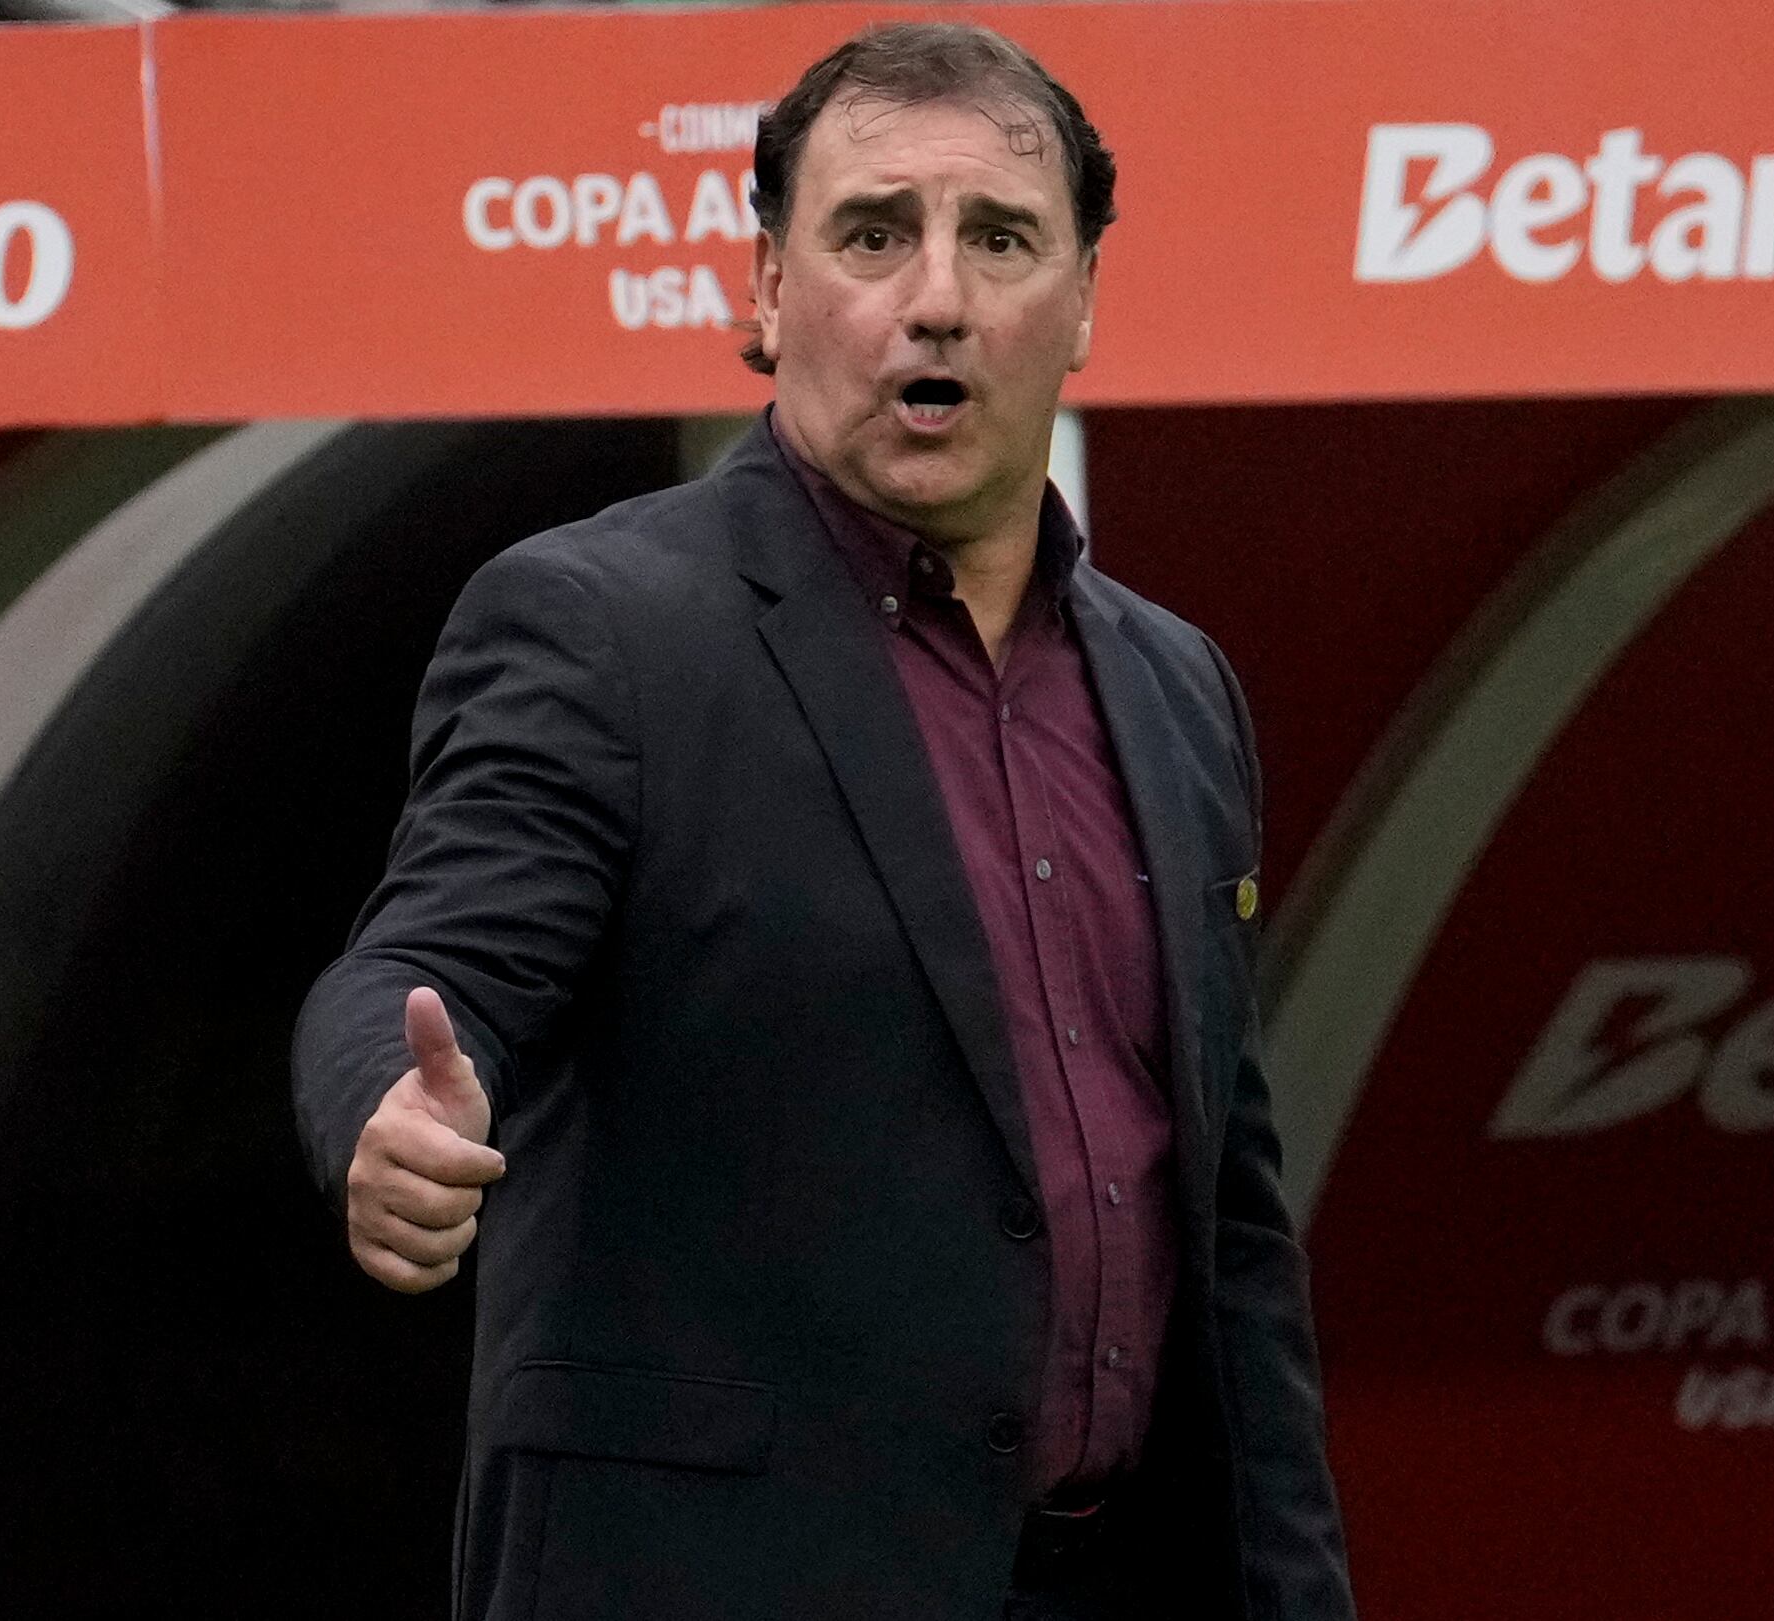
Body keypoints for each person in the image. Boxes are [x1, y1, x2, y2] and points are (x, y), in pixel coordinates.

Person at [291, 22, 1353, 1621]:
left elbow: (1227, 1229)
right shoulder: (599, 625)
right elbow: (426, 962)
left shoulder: (1176, 686)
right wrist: (387, 1108)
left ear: (1082, 303)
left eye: (1000, 239)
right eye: (872, 232)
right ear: (771, 291)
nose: (937, 294)